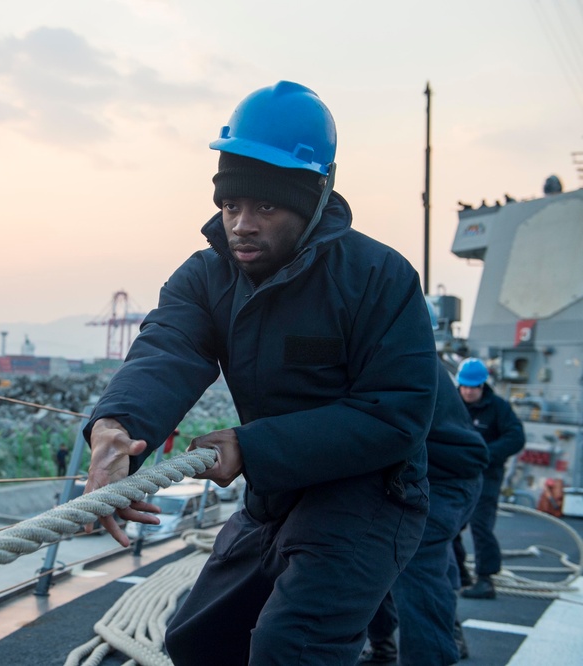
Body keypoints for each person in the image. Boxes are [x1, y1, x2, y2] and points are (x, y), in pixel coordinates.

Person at [83, 80, 438, 665]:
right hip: (274, 493)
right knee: (197, 641)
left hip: (371, 494)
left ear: (313, 198)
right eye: (231, 205)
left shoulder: (379, 277)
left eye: (265, 207)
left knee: (290, 647)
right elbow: (166, 349)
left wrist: (251, 446)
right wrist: (116, 427)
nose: (241, 224)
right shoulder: (204, 278)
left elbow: (395, 413)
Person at [360, 361, 488, 665]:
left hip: (444, 478)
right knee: (369, 553)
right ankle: (383, 646)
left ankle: (433, 651)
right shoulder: (387, 341)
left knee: (417, 559)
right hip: (421, 471)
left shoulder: (394, 349)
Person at [455, 357, 525, 600]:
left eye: (472, 387)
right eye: (464, 386)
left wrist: (485, 453)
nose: (467, 391)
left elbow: (516, 438)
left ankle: (485, 580)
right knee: (448, 526)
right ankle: (460, 574)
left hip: (486, 477)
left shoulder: (498, 408)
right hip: (455, 476)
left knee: (481, 526)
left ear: (482, 385)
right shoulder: (451, 404)